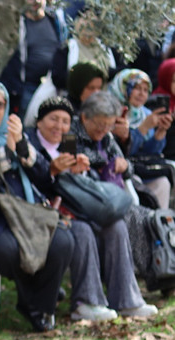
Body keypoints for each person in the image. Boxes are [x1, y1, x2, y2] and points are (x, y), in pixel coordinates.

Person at [0, 80, 75, 332]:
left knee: (63, 242)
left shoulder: (19, 134)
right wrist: (5, 152)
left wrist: (20, 144)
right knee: (7, 251)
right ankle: (33, 302)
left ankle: (42, 305)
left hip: (27, 212)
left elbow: (43, 175)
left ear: (7, 107)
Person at [28, 97, 153, 320]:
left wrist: (81, 170)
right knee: (82, 230)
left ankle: (127, 300)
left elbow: (81, 182)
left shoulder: (67, 140)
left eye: (65, 121)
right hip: (46, 210)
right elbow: (31, 181)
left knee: (115, 226)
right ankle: (86, 302)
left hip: (77, 205)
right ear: (39, 121)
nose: (59, 126)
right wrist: (53, 170)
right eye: (53, 120)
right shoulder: (30, 144)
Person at [71, 89, 167, 304]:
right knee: (132, 217)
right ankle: (155, 278)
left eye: (108, 125)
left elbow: (128, 166)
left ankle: (162, 275)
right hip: (90, 197)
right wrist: (102, 162)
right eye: (99, 124)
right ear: (85, 117)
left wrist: (124, 166)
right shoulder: (71, 133)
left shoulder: (107, 136)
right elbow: (74, 161)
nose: (103, 130)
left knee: (152, 218)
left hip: (113, 195)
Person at [107, 68, 173, 208]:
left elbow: (150, 153)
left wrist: (159, 133)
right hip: (122, 169)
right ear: (123, 88)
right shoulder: (113, 113)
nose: (141, 93)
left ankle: (159, 226)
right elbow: (124, 150)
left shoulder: (145, 113)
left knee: (163, 183)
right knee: (134, 182)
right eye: (136, 88)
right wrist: (143, 128)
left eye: (145, 89)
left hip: (142, 167)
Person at [0, 0, 64, 117]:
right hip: (28, 87)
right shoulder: (19, 23)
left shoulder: (54, 19)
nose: (35, 1)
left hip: (52, 85)